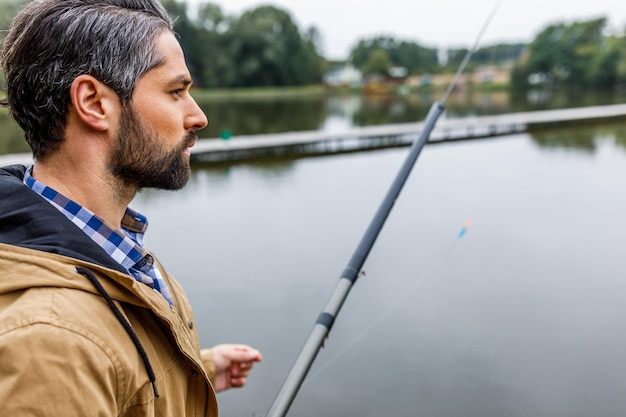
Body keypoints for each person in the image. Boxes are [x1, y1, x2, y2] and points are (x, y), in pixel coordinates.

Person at [0, 0, 262, 415]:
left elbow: (105, 367)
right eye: (176, 91)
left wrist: (198, 372)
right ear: (93, 102)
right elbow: (70, 359)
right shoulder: (50, 344)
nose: (199, 116)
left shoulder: (108, 245)